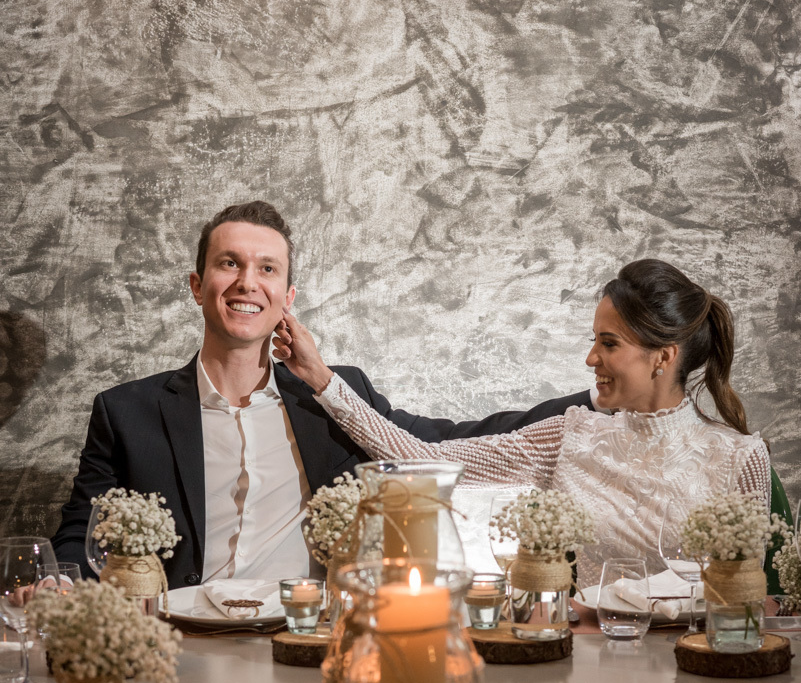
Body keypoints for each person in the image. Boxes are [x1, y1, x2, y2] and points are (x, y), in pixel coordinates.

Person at [52, 201, 592, 588]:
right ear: (197, 286)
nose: (247, 282)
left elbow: (450, 440)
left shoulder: (334, 395)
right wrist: (58, 582)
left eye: (267, 269)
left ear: (286, 297)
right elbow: (79, 536)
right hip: (179, 640)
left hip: (303, 639)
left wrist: (592, 403)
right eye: (229, 263)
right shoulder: (126, 412)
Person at [273, 259, 771, 586]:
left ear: (663, 357)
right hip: (590, 664)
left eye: (609, 343)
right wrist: (321, 378)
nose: (590, 357)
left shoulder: (741, 459)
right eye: (594, 339)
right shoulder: (571, 434)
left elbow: (752, 606)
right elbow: (429, 458)